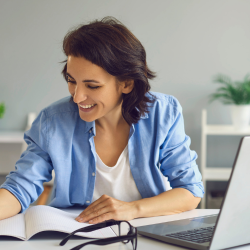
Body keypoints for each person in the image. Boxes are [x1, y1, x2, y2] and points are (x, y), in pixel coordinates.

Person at [0, 16, 204, 223]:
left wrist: (132, 209)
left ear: (126, 84)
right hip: (72, 234)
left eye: (92, 86)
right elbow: (19, 188)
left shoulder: (162, 113)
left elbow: (190, 190)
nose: (77, 97)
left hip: (144, 232)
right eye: (72, 81)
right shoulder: (52, 121)